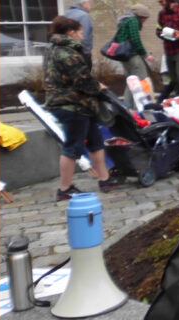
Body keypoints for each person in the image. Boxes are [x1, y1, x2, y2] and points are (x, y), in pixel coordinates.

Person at [43, 16, 123, 201]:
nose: (82, 36)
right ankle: (65, 189)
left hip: (78, 104)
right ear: (71, 33)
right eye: (80, 32)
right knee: (73, 147)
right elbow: (82, 80)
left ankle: (105, 179)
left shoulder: (53, 49)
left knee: (95, 141)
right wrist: (98, 87)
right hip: (71, 105)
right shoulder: (67, 53)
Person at [114, 4, 157, 108]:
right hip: (132, 56)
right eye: (145, 18)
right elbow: (135, 40)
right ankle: (143, 106)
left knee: (131, 81)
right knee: (141, 80)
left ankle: (127, 107)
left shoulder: (124, 21)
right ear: (141, 16)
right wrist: (145, 55)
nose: (145, 21)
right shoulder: (133, 21)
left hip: (124, 56)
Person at [63, 0, 94, 66]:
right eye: (89, 3)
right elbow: (85, 36)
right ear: (84, 4)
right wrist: (87, 53)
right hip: (81, 53)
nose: (90, 6)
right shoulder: (84, 16)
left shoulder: (66, 14)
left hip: (66, 52)